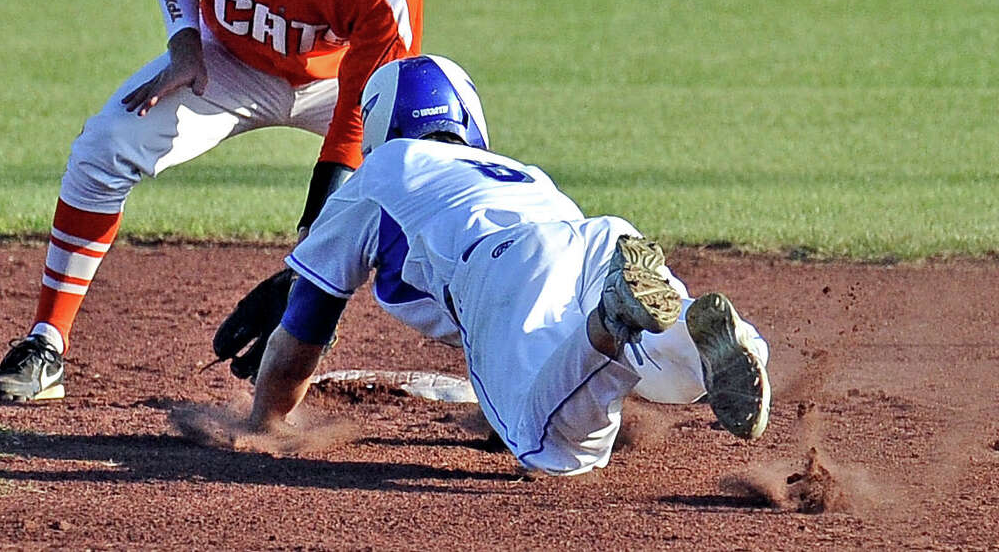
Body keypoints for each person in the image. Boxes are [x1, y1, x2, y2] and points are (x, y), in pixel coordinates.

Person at [0, 0, 423, 401]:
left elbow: (355, 120)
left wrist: (306, 274)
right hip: (226, 64)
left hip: (334, 86)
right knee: (104, 147)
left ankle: (505, 372)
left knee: (427, 187)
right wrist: (184, 42)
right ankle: (45, 344)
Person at [243, 55, 771, 476]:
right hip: (597, 239)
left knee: (554, 448)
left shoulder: (381, 172)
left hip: (503, 265)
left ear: (380, 127)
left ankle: (609, 328)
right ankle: (700, 335)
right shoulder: (515, 171)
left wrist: (267, 418)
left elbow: (307, 324)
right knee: (663, 368)